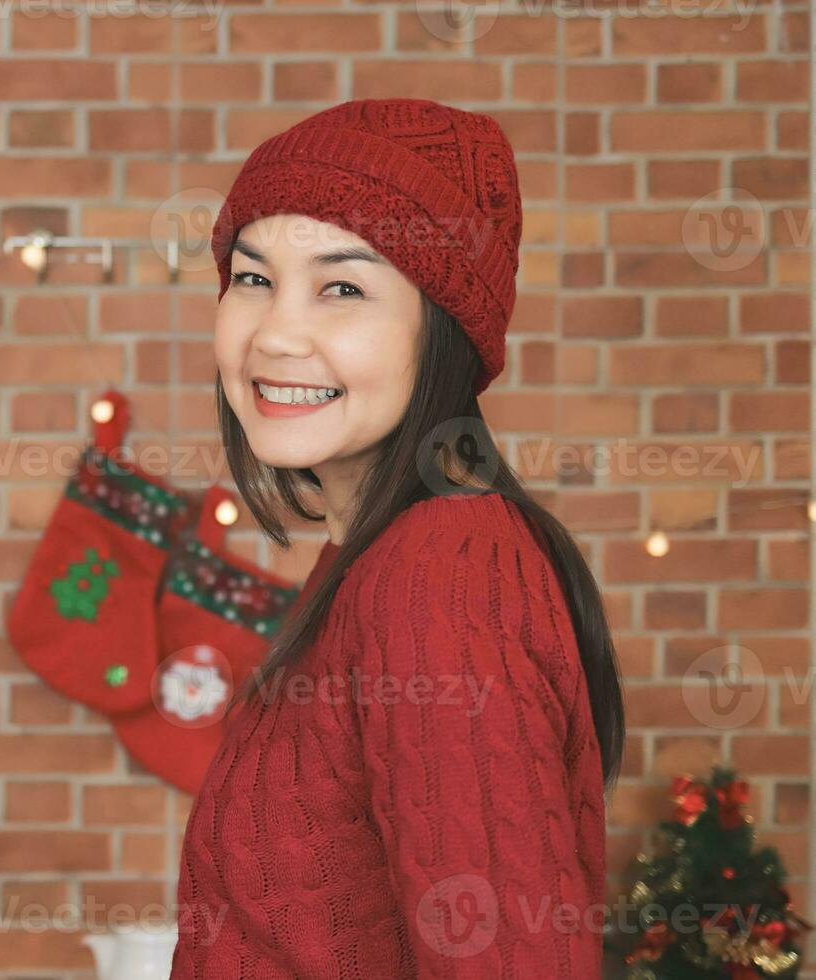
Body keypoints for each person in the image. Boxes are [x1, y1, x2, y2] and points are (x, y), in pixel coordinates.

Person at [169, 97, 625, 979]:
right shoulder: (372, 556)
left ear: (444, 332)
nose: (276, 333)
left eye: (343, 288)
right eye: (254, 278)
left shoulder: (438, 582)